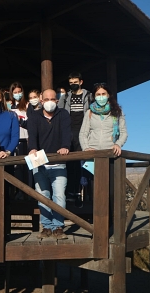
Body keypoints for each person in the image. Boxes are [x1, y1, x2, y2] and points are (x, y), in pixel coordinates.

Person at [27, 89, 71, 239]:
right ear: (41, 100)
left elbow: (67, 133)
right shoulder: (34, 116)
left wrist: (66, 146)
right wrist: (32, 148)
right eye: (46, 99)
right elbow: (32, 135)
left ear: (57, 101)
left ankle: (58, 227)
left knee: (59, 195)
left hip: (59, 163)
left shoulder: (63, 114)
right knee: (43, 196)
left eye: (53, 99)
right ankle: (46, 227)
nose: (50, 101)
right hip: (40, 162)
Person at [58, 72, 93, 206]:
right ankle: (72, 194)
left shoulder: (88, 96)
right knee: (70, 163)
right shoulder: (65, 97)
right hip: (68, 132)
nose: (73, 84)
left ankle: (87, 194)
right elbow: (59, 113)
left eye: (75, 82)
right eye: (71, 82)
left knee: (85, 163)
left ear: (81, 82)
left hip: (84, 132)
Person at [79, 83, 128, 156]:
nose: (101, 96)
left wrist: (118, 144)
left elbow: (124, 133)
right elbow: (83, 134)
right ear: (94, 96)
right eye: (98, 94)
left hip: (111, 152)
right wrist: (86, 148)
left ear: (108, 95)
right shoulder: (89, 112)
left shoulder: (117, 111)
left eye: (103, 94)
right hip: (93, 153)